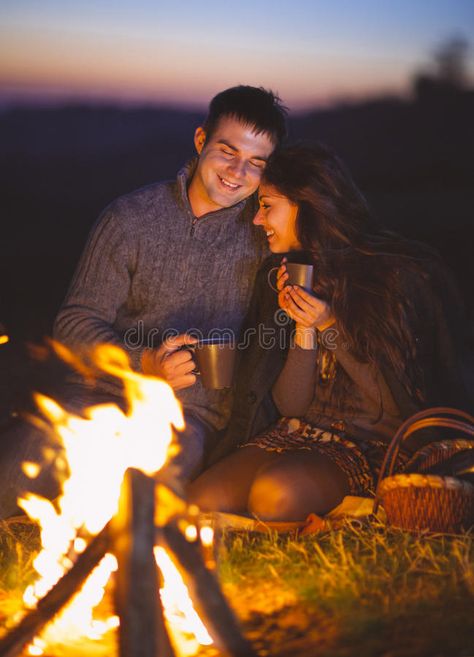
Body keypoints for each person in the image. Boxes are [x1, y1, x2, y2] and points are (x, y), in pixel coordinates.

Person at [0, 86, 288, 519]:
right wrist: (143, 362)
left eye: (255, 163)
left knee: (142, 501)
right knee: (15, 472)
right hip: (97, 391)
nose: (236, 171)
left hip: (193, 413)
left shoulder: (263, 235)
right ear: (200, 141)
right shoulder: (130, 218)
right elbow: (76, 322)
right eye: (227, 151)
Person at [188, 143, 471, 521]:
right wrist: (306, 330)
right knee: (202, 500)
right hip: (302, 433)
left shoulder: (393, 278)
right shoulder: (293, 274)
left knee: (275, 496)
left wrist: (329, 325)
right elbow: (292, 406)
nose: (257, 220)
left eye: (268, 205)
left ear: (308, 206)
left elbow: (392, 405)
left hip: (372, 444)